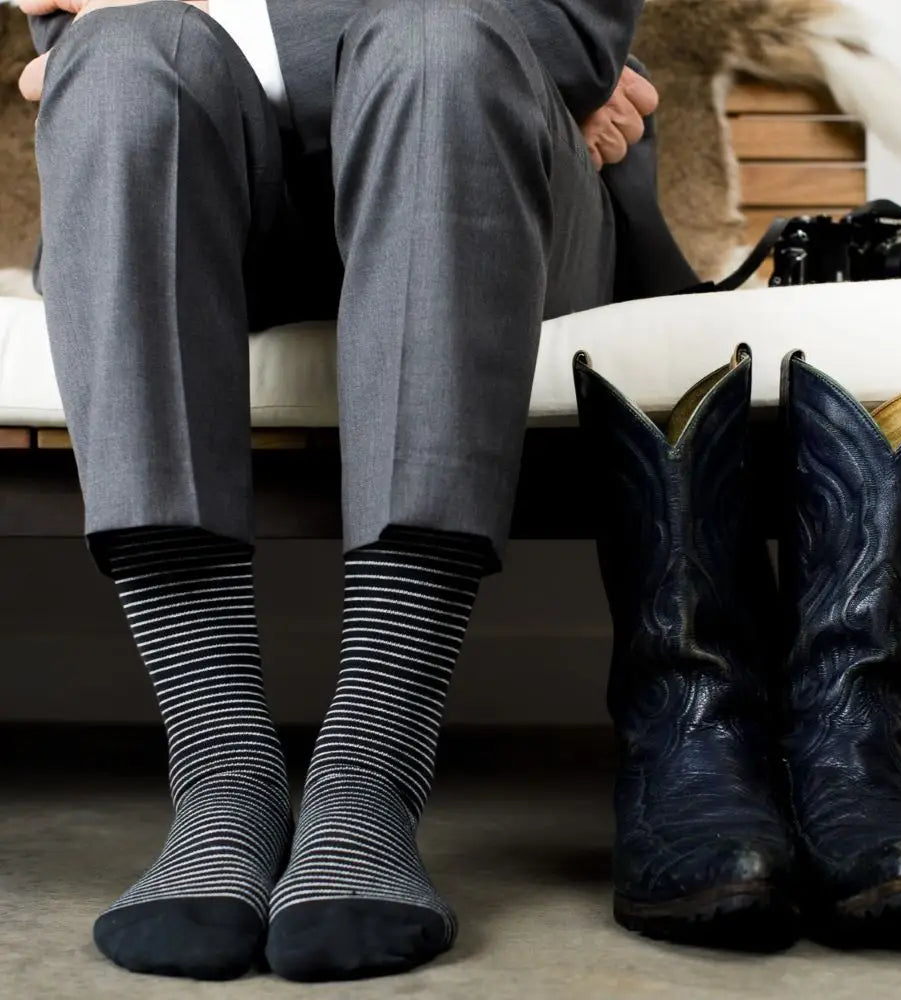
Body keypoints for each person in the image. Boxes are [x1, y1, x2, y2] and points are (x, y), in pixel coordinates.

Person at [18, 0, 698, 983]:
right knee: (122, 63)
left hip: (480, 170)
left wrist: (232, 14)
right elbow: (76, 36)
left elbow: (563, 33)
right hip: (213, 185)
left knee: (439, 43)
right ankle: (221, 772)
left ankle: (369, 772)